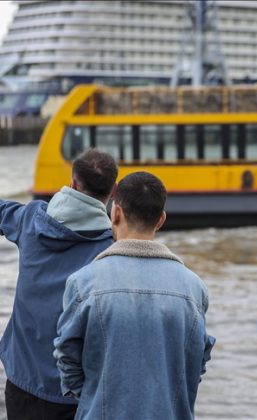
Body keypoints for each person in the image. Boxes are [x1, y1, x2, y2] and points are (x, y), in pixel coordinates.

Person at [53, 172, 215, 420]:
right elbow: (197, 363)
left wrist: (94, 398)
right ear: (160, 220)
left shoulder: (83, 283)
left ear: (115, 213)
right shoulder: (194, 288)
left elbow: (67, 358)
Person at [0, 149, 117, 420]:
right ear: (114, 190)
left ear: (73, 183)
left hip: (22, 381)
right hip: (75, 392)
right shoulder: (110, 247)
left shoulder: (31, 220)